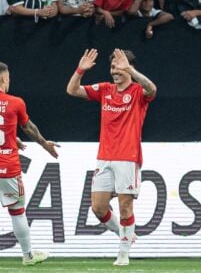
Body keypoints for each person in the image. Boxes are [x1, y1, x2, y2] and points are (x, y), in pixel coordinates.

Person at [66, 48, 156, 266]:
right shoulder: (105, 89)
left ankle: (123, 253)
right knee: (98, 207)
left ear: (128, 67)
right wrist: (80, 70)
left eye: (118, 66)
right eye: (112, 67)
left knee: (126, 207)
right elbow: (72, 90)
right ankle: (126, 236)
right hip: (105, 157)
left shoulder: (137, 92)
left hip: (128, 156)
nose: (114, 71)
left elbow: (152, 88)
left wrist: (131, 70)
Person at [0, 61, 59, 267]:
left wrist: (12, 138)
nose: (9, 81)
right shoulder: (15, 102)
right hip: (6, 167)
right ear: (2, 78)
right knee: (17, 211)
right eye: (8, 77)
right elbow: (28, 127)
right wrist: (45, 144)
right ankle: (28, 256)